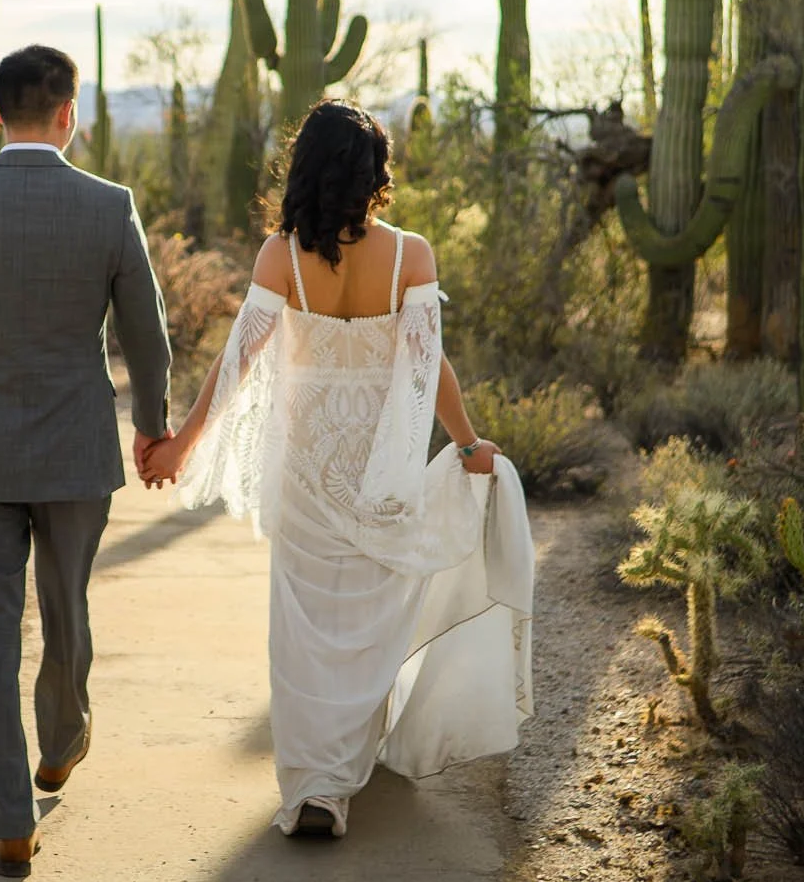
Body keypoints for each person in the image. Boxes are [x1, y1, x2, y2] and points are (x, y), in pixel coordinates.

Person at [140, 99, 533, 838]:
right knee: (372, 627)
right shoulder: (410, 254)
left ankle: (316, 788)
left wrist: (184, 441)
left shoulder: (278, 255)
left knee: (304, 636)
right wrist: (468, 441)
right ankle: (345, 768)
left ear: (306, 170)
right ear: (374, 174)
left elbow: (238, 360)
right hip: (378, 474)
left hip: (307, 471)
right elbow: (428, 361)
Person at [0, 44, 173, 878]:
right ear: (68, 116)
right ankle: (59, 743)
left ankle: (10, 824)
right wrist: (151, 426)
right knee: (66, 607)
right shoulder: (109, 205)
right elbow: (148, 340)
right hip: (75, 449)